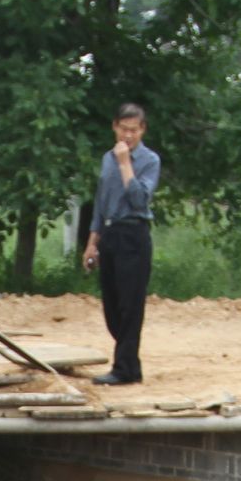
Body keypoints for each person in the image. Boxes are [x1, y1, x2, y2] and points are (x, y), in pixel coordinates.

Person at [81, 103, 161, 386]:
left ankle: (124, 368)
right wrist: (92, 243)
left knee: (130, 304)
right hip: (110, 234)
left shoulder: (150, 161)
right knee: (112, 306)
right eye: (124, 129)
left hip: (134, 234)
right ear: (114, 127)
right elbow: (101, 206)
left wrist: (126, 164)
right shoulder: (106, 159)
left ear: (142, 131)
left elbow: (140, 199)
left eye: (134, 130)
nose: (128, 135)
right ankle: (131, 365)